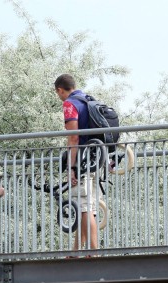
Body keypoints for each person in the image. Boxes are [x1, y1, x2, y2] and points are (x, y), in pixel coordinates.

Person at [53, 73, 100, 251]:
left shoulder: (70, 104)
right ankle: (76, 252)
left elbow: (73, 138)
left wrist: (71, 168)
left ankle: (94, 254)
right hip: (96, 158)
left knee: (85, 208)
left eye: (58, 94)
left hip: (82, 161)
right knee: (85, 207)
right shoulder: (88, 100)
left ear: (60, 90)